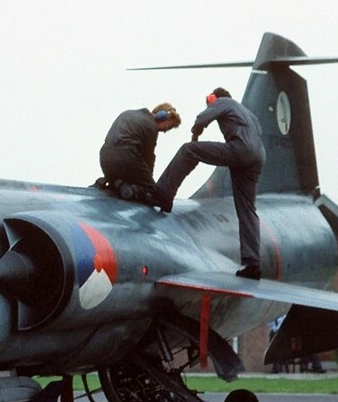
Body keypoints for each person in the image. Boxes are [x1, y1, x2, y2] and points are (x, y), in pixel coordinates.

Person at [156, 87, 266, 278]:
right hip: (257, 157)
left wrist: (195, 136)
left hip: (240, 149)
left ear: (214, 98)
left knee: (189, 150)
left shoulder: (223, 102)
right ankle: (252, 263)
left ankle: (163, 195)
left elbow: (202, 119)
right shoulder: (248, 113)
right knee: (247, 208)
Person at [98, 104, 182, 211]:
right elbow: (148, 158)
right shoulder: (151, 126)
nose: (165, 131)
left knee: (129, 171)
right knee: (156, 195)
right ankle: (133, 191)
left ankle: (115, 182)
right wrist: (149, 184)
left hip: (104, 159)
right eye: (167, 127)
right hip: (126, 159)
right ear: (161, 116)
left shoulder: (127, 113)